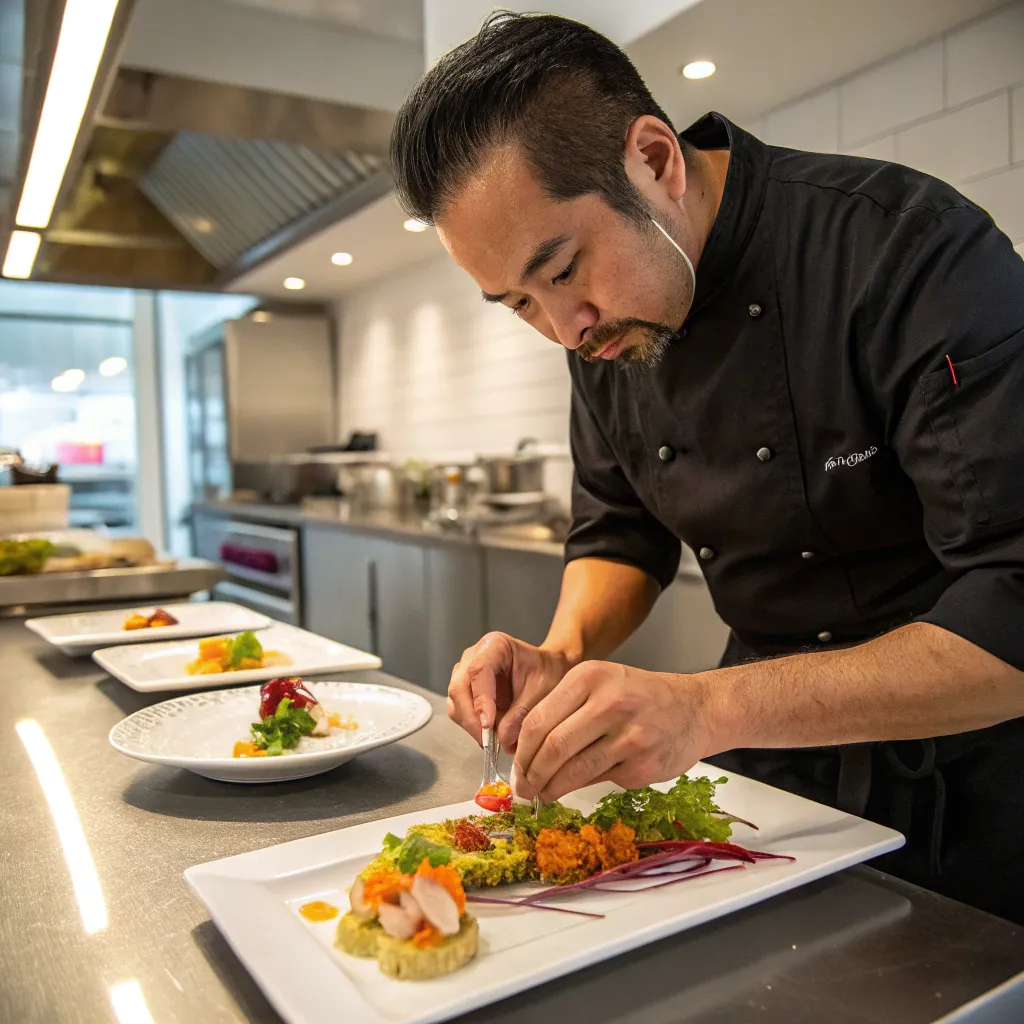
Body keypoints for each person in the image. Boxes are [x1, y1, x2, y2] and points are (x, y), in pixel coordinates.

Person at [388, 11, 1024, 923]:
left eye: (563, 270)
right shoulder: (601, 328)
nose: (564, 327)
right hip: (769, 785)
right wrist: (559, 655)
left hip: (980, 775)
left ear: (654, 159)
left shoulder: (906, 251)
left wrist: (709, 709)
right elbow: (618, 527)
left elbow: (1014, 606)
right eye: (518, 303)